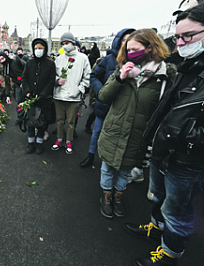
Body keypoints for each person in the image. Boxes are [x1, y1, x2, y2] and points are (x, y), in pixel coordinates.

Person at [125, 0, 204, 266]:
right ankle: (156, 230)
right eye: (178, 37)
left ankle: (170, 255)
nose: (180, 43)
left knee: (178, 212)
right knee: (160, 199)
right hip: (165, 149)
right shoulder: (192, 60)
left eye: (188, 36)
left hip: (191, 160)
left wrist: (190, 134)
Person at [97, 29, 175, 219]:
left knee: (125, 171)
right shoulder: (122, 69)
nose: (131, 53)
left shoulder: (164, 76)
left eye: (135, 49)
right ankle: (106, 197)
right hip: (114, 130)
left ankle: (118, 197)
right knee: (107, 167)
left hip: (138, 134)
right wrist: (120, 78)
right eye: (128, 49)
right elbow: (103, 96)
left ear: (150, 47)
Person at [79, 28, 135, 168]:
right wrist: (101, 91)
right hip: (106, 103)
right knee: (97, 131)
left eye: (130, 40)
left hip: (125, 108)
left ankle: (110, 163)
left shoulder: (138, 62)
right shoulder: (109, 59)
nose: (127, 44)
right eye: (124, 40)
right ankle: (91, 155)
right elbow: (94, 76)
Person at [51, 31, 90, 154]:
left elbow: (87, 76)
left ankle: (69, 140)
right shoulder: (59, 58)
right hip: (59, 95)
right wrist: (57, 81)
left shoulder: (83, 58)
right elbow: (52, 75)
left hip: (74, 96)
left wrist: (80, 89)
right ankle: (59, 138)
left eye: (66, 43)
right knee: (59, 120)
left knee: (71, 121)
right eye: (62, 43)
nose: (64, 46)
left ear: (73, 43)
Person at [21, 38, 56, 154]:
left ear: (45, 49)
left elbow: (51, 81)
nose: (38, 50)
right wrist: (27, 91)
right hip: (30, 99)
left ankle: (39, 143)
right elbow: (24, 78)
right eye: (36, 48)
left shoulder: (50, 64)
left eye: (40, 48)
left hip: (44, 99)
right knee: (30, 122)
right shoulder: (29, 63)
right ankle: (31, 143)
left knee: (42, 122)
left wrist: (43, 94)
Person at [0, 50, 26, 125]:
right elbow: (7, 82)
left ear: (6, 57)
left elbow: (27, 68)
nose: (2, 61)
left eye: (2, 58)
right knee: (19, 102)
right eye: (0, 60)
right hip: (17, 85)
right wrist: (7, 95)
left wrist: (24, 81)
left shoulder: (15, 61)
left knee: (28, 100)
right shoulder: (5, 69)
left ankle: (27, 118)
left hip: (26, 83)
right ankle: (20, 119)